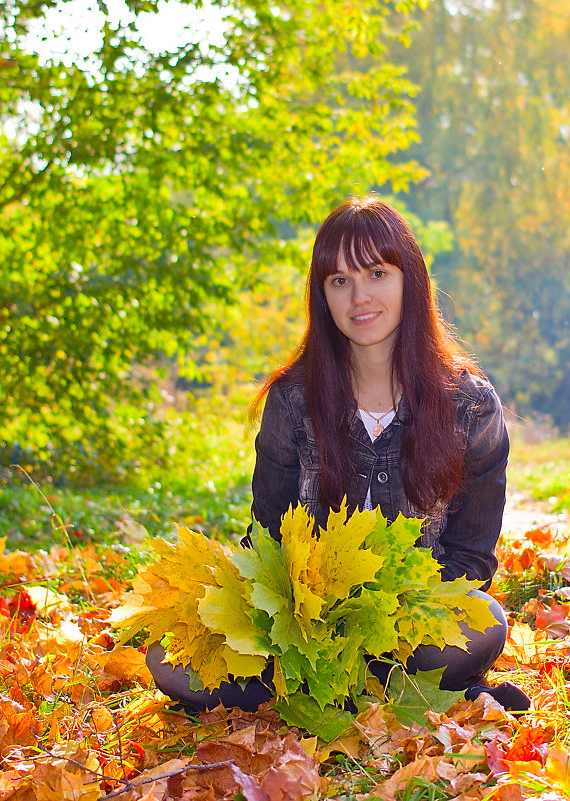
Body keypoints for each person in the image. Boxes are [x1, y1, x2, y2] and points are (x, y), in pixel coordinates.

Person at [146, 196, 530, 713]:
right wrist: (301, 628)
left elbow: (471, 560)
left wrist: (386, 620)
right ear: (322, 295)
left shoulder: (470, 407)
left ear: (408, 280)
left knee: (483, 622)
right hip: (304, 633)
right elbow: (266, 538)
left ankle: (341, 693)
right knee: (167, 662)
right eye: (340, 281)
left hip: (409, 629)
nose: (359, 297)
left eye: (376, 273)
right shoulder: (293, 401)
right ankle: (386, 692)